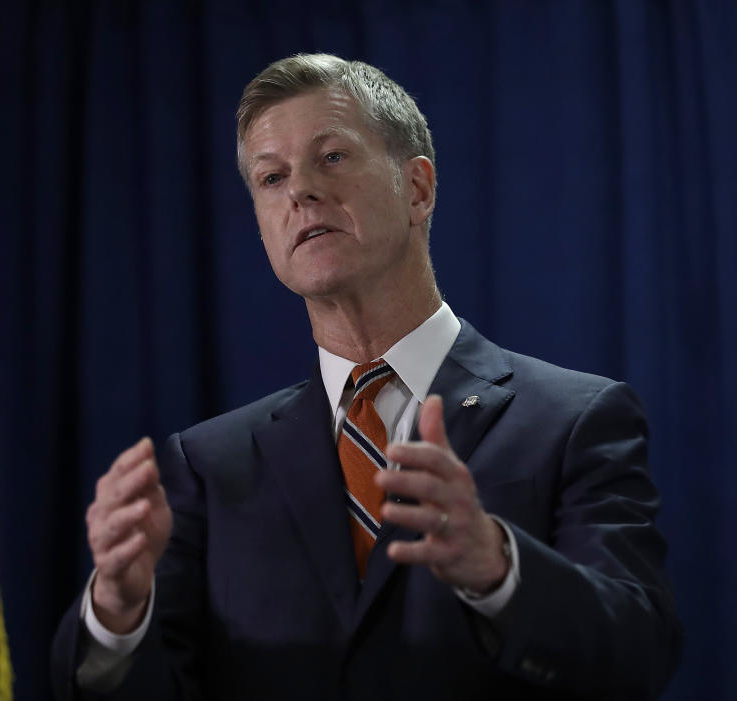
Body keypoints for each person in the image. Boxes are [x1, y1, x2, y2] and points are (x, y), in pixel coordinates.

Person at [52, 54, 683, 700]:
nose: (299, 191)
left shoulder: (575, 419)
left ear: (417, 189)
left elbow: (639, 651)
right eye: (271, 177)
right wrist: (119, 609)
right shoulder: (208, 465)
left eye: (330, 158)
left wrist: (498, 566)